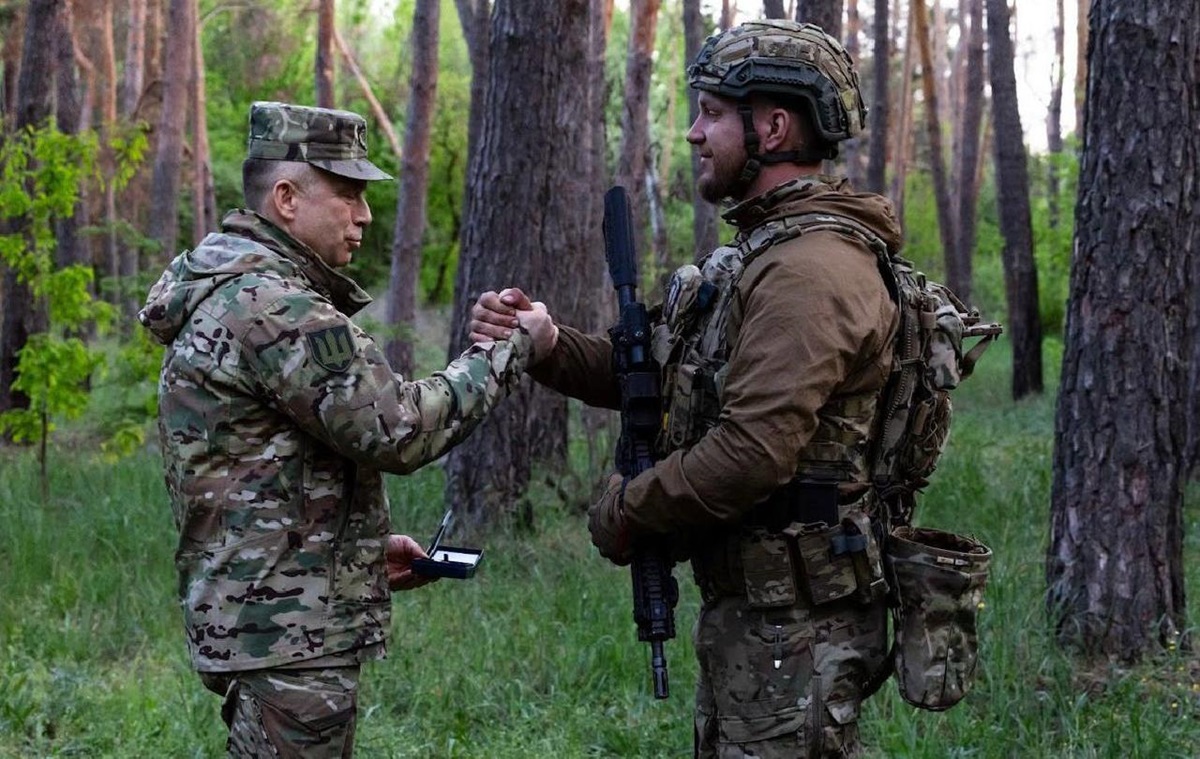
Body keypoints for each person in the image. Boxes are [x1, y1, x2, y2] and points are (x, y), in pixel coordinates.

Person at [472, 20, 901, 758]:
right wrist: (548, 343)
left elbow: (752, 451)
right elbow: (667, 377)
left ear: (772, 126)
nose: (693, 131)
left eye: (711, 111)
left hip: (794, 626)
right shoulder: (764, 254)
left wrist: (628, 511)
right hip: (763, 618)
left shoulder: (809, 272)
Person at [139, 101, 557, 757]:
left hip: (270, 618)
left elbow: (249, 474)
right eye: (348, 193)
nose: (363, 214)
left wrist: (351, 550)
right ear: (286, 197)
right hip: (290, 638)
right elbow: (397, 428)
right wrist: (508, 352)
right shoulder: (271, 304)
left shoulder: (233, 290)